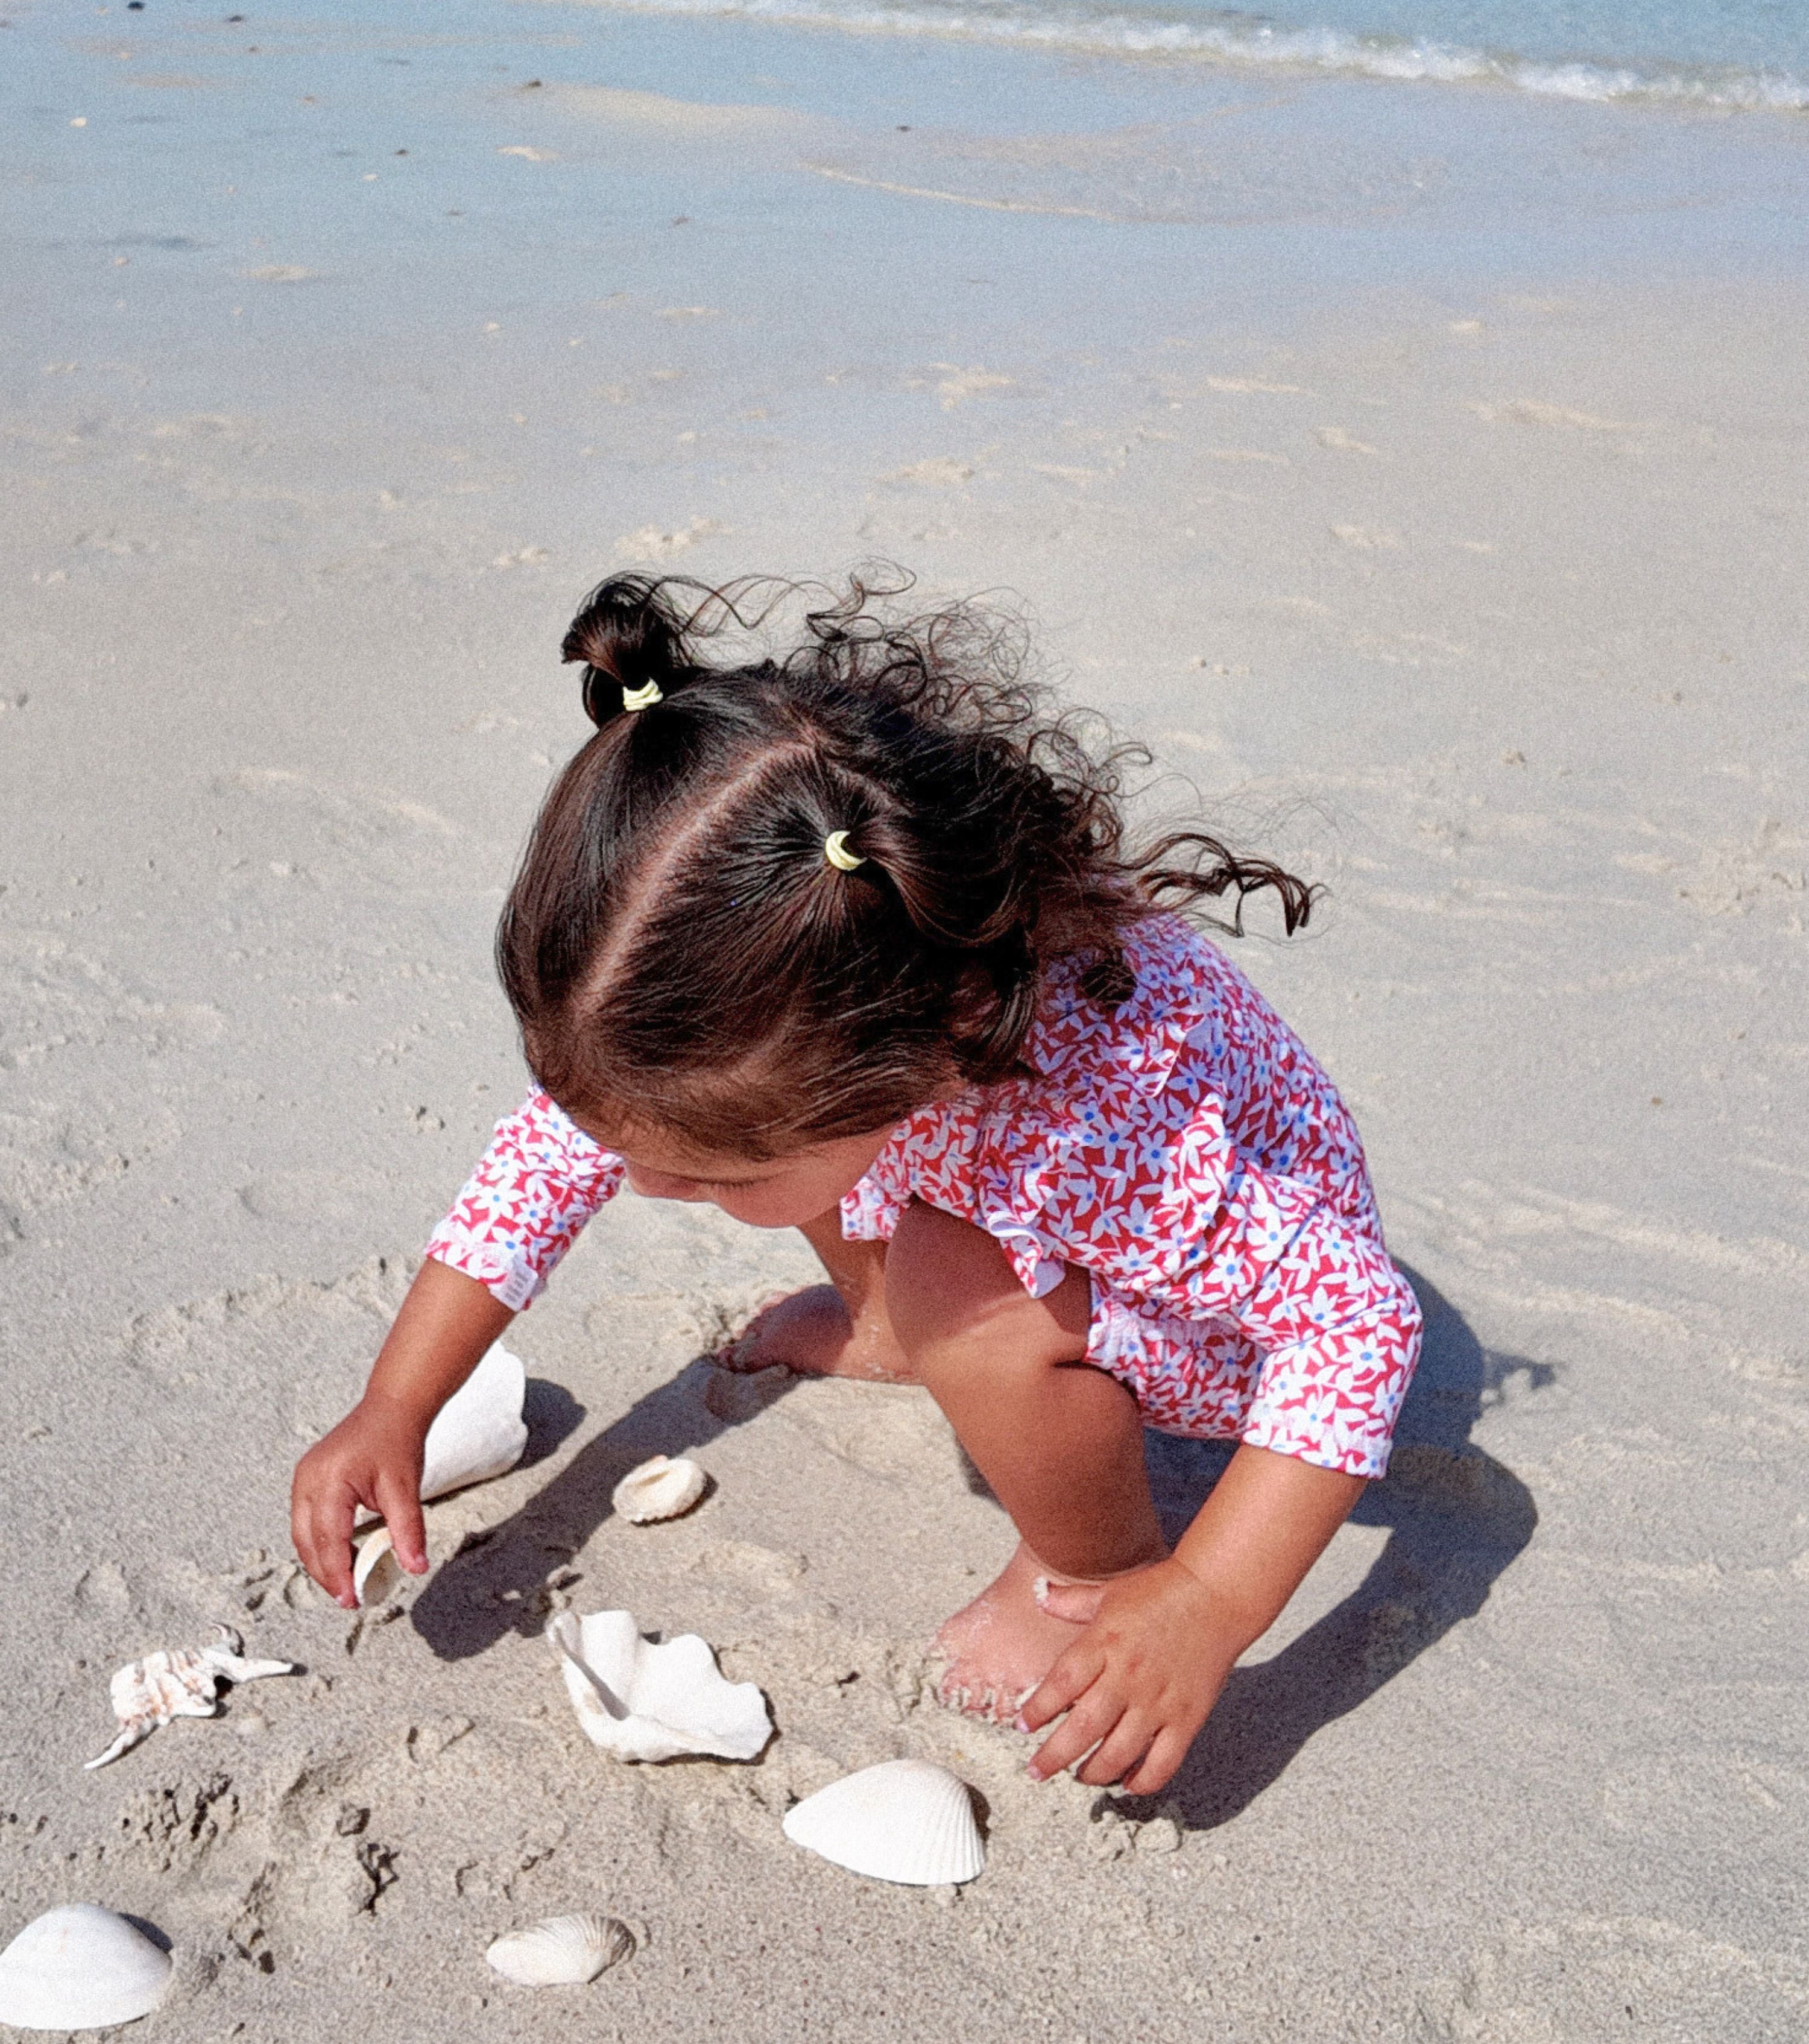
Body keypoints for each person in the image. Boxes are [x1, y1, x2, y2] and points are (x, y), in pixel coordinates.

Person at [291, 573, 1420, 1798]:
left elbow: (1359, 1322)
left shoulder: (1091, 1132)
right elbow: (544, 1167)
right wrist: (396, 1403)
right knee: (826, 1182)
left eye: (704, 1172)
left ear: (931, 1048)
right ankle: (895, 1324)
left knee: (951, 1282)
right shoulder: (832, 974)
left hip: (1220, 1320)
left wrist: (1202, 1603)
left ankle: (1085, 1568)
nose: (644, 1188)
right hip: (979, 1160)